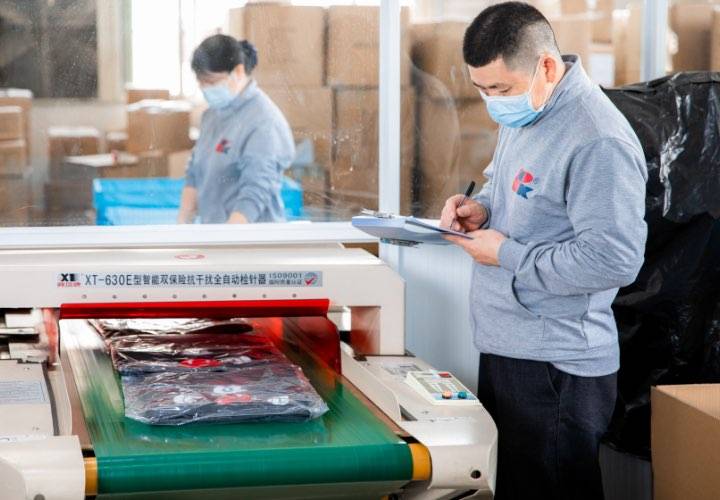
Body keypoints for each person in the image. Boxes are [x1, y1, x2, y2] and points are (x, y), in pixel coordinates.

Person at [439, 3, 647, 499]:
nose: (493, 102)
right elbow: (510, 188)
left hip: (557, 366)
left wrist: (506, 253)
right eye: (482, 91)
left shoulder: (597, 139)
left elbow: (614, 259)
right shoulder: (529, 108)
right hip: (511, 347)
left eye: (500, 90)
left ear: (546, 67)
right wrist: (482, 210)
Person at [178, 34, 294, 224]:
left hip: (249, 239)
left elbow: (254, 193)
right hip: (216, 235)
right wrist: (182, 226)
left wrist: (228, 241)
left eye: (212, 82)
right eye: (201, 82)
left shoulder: (263, 121)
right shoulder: (212, 115)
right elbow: (194, 173)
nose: (205, 89)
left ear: (238, 72)